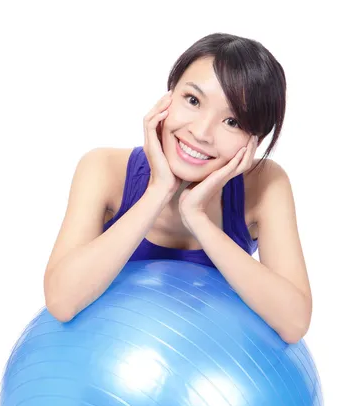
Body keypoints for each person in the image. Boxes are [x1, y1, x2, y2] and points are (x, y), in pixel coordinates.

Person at [43, 33, 312, 344]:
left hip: (215, 375)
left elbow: (293, 323)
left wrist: (196, 215)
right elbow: (62, 302)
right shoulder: (103, 168)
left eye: (233, 122)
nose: (201, 132)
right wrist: (158, 190)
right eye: (193, 100)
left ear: (256, 141)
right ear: (167, 97)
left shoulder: (266, 184)